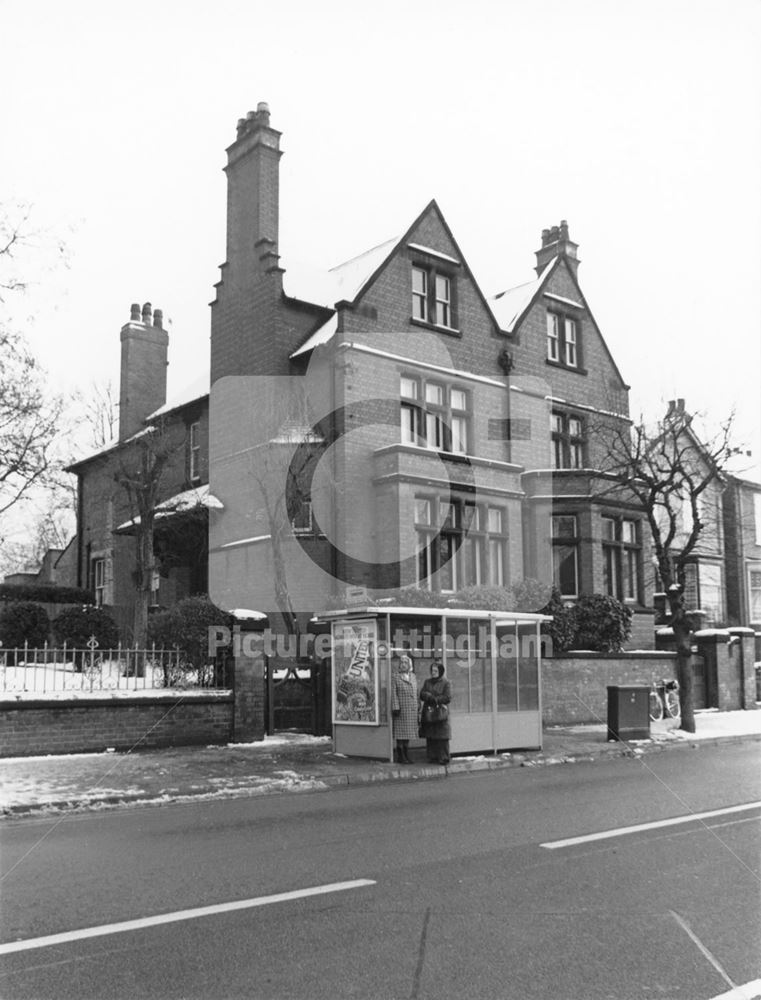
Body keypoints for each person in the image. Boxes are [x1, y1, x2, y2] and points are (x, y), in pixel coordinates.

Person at [419, 661, 452, 764]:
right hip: (429, 713)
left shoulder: (446, 682)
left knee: (442, 736)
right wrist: (427, 696)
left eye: (435, 671)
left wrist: (435, 699)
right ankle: (432, 757)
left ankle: (444, 757)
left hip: (440, 712)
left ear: (440, 671)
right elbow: (422, 694)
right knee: (431, 735)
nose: (433, 673)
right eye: (432, 670)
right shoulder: (427, 682)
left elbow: (447, 697)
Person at [391, 654, 418, 763]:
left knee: (408, 734)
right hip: (401, 710)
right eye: (401, 663)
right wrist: (395, 707)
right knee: (400, 734)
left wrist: (418, 705)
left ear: (409, 665)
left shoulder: (413, 676)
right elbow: (393, 693)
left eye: (405, 663)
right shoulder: (395, 676)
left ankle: (406, 754)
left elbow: (416, 691)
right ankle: (401, 756)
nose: (403, 665)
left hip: (412, 709)